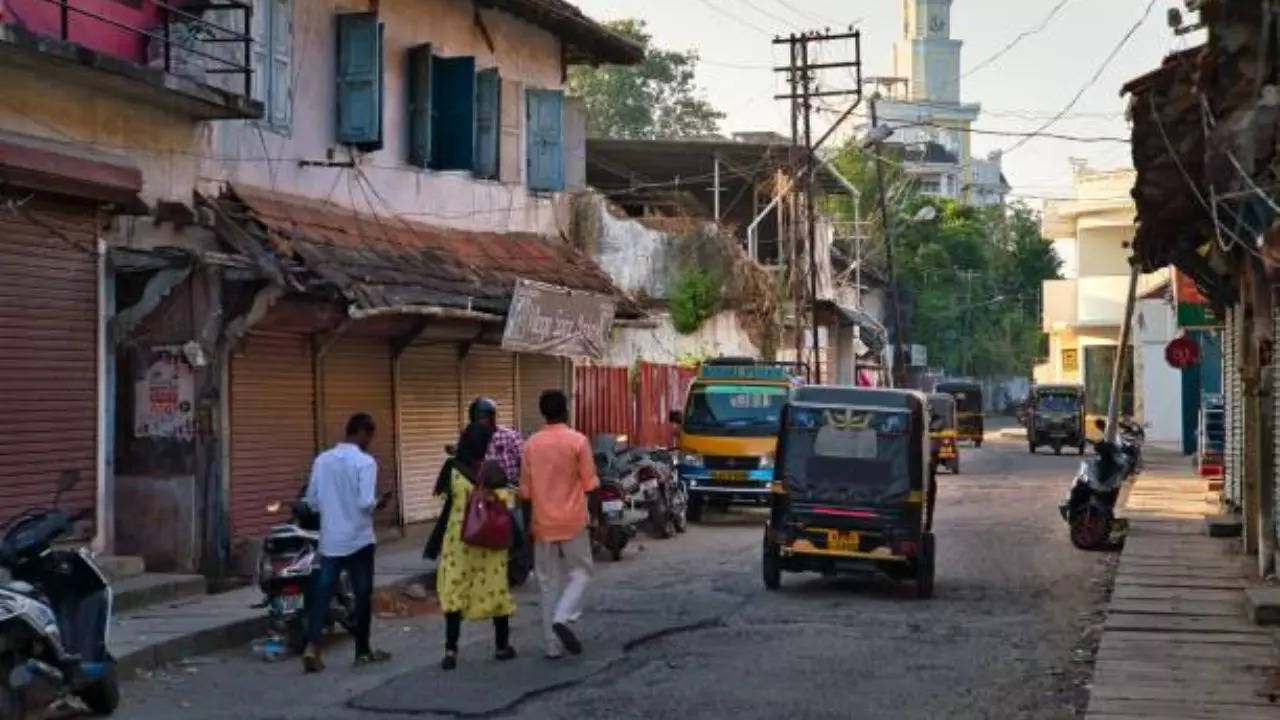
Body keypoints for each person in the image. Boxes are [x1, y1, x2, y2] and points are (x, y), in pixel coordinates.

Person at [301, 413, 391, 673]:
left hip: (330, 540)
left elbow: (312, 501)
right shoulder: (365, 462)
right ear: (363, 433)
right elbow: (365, 503)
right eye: (370, 436)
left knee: (323, 593)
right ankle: (362, 651)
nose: (370, 442)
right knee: (362, 595)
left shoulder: (323, 460)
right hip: (359, 540)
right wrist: (379, 503)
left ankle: (312, 646)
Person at [519, 390, 598, 659]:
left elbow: (525, 492)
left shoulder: (531, 444)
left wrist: (530, 525)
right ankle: (563, 617)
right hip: (573, 520)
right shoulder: (578, 441)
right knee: (581, 571)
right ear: (565, 410)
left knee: (547, 582)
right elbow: (589, 484)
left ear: (543, 413)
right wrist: (595, 518)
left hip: (542, 522)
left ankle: (552, 646)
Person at [435, 422, 517, 670]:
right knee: (495, 588)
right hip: (489, 540)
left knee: (455, 591)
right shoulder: (492, 470)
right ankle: (502, 647)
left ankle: (451, 650)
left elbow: (442, 497)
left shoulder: (452, 469)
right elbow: (508, 501)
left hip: (459, 539)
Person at [470, 397, 523, 484]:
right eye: (477, 418)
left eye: (484, 417)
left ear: (492, 418)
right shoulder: (470, 439)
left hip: (510, 488)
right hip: (482, 491)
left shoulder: (509, 436)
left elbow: (525, 463)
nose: (481, 422)